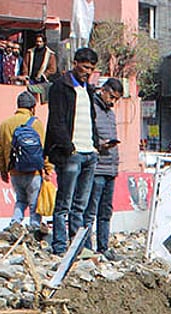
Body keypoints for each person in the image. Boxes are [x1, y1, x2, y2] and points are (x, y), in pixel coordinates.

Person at [45, 47, 100, 256]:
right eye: (85, 67)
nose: (87, 72)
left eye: (91, 69)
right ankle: (60, 246)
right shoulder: (61, 87)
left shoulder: (89, 90)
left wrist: (96, 145)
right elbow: (56, 121)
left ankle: (78, 247)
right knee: (64, 204)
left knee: (81, 205)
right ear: (75, 63)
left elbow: (91, 119)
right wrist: (68, 147)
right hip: (71, 153)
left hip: (89, 152)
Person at [0, 91, 51, 231]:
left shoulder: (5, 124)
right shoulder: (36, 123)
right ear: (33, 107)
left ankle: (15, 222)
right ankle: (35, 227)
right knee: (34, 203)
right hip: (34, 172)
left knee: (20, 200)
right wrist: (48, 169)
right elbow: (45, 148)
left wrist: (3, 171)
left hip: (15, 171)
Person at [86, 76, 124, 260]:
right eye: (112, 97)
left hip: (111, 168)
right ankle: (85, 246)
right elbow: (89, 135)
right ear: (104, 90)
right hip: (97, 167)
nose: (113, 102)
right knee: (90, 209)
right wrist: (101, 145)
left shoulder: (110, 113)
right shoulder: (92, 108)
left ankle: (103, 246)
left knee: (105, 211)